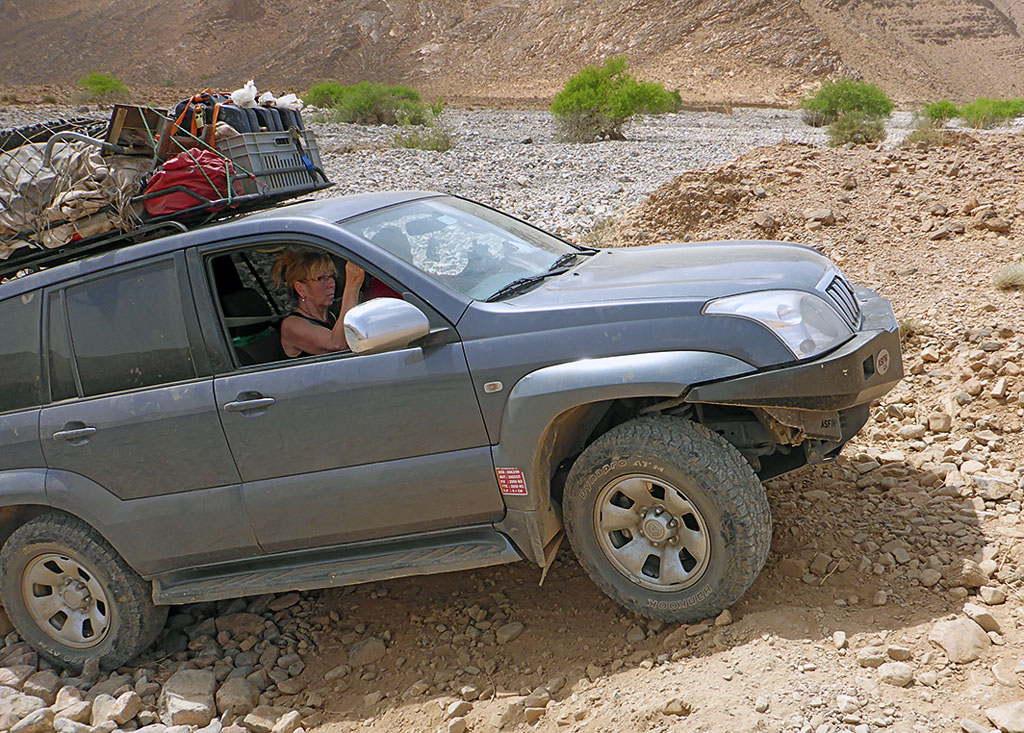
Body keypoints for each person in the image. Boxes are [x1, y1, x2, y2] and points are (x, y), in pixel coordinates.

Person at [272, 248, 364, 357]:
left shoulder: (331, 316)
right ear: (300, 289)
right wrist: (352, 286)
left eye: (331, 277)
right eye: (321, 278)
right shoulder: (291, 325)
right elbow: (338, 345)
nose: (332, 284)